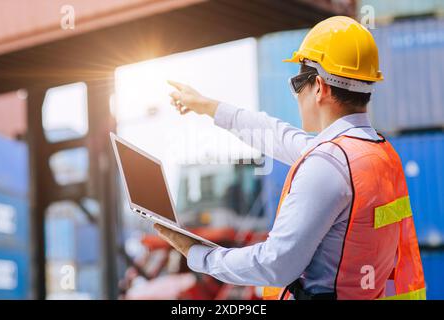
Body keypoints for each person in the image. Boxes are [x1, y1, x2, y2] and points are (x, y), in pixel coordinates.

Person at [154, 16, 425, 300]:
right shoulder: (376, 153)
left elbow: (276, 264)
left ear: (319, 86)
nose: (296, 96)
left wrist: (198, 255)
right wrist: (208, 107)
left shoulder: (328, 165)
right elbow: (275, 134)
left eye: (297, 83)